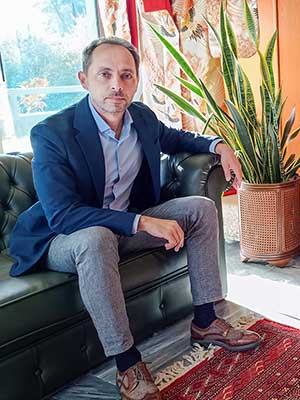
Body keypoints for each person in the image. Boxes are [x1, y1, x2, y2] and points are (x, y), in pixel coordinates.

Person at [8, 37, 262, 400]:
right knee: (96, 237)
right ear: (84, 79)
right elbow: (64, 215)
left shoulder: (141, 118)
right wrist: (142, 223)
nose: (117, 85)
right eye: (105, 74)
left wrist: (221, 146)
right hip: (62, 237)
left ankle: (206, 321)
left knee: (200, 208)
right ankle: (127, 364)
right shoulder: (52, 133)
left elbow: (181, 138)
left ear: (136, 80)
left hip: (122, 224)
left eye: (126, 75)